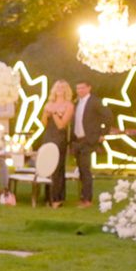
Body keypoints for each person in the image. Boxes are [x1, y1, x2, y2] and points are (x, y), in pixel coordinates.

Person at [69, 80, 111, 207]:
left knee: (85, 169)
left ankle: (87, 199)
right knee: (81, 169)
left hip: (88, 140)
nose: (79, 91)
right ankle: (83, 197)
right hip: (77, 139)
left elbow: (108, 116)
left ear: (89, 88)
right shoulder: (77, 103)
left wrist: (102, 133)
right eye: (77, 88)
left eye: (82, 88)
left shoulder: (95, 102)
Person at [42, 79, 75, 207]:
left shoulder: (69, 105)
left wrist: (54, 112)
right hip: (48, 136)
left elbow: (61, 125)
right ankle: (47, 197)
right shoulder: (49, 103)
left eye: (62, 87)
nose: (59, 89)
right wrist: (46, 112)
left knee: (57, 167)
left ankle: (57, 198)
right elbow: (44, 123)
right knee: (47, 166)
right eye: (57, 87)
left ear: (66, 90)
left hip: (59, 137)